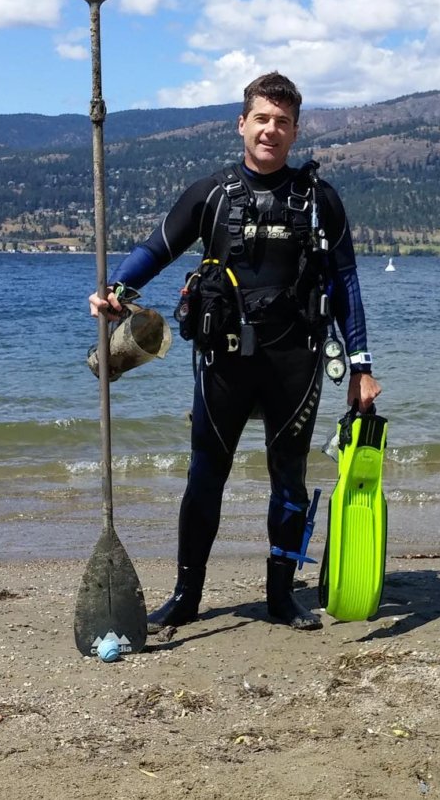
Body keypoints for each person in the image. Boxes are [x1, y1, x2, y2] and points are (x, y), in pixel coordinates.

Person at [89, 72, 381, 631]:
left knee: (289, 480)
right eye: (262, 119)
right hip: (222, 359)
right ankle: (186, 595)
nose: (271, 130)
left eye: (283, 122)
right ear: (242, 124)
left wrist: (362, 367)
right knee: (205, 477)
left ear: (295, 131)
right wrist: (117, 292)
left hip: (296, 361)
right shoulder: (211, 195)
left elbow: (346, 284)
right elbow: (157, 249)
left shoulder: (321, 200)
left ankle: (279, 598)